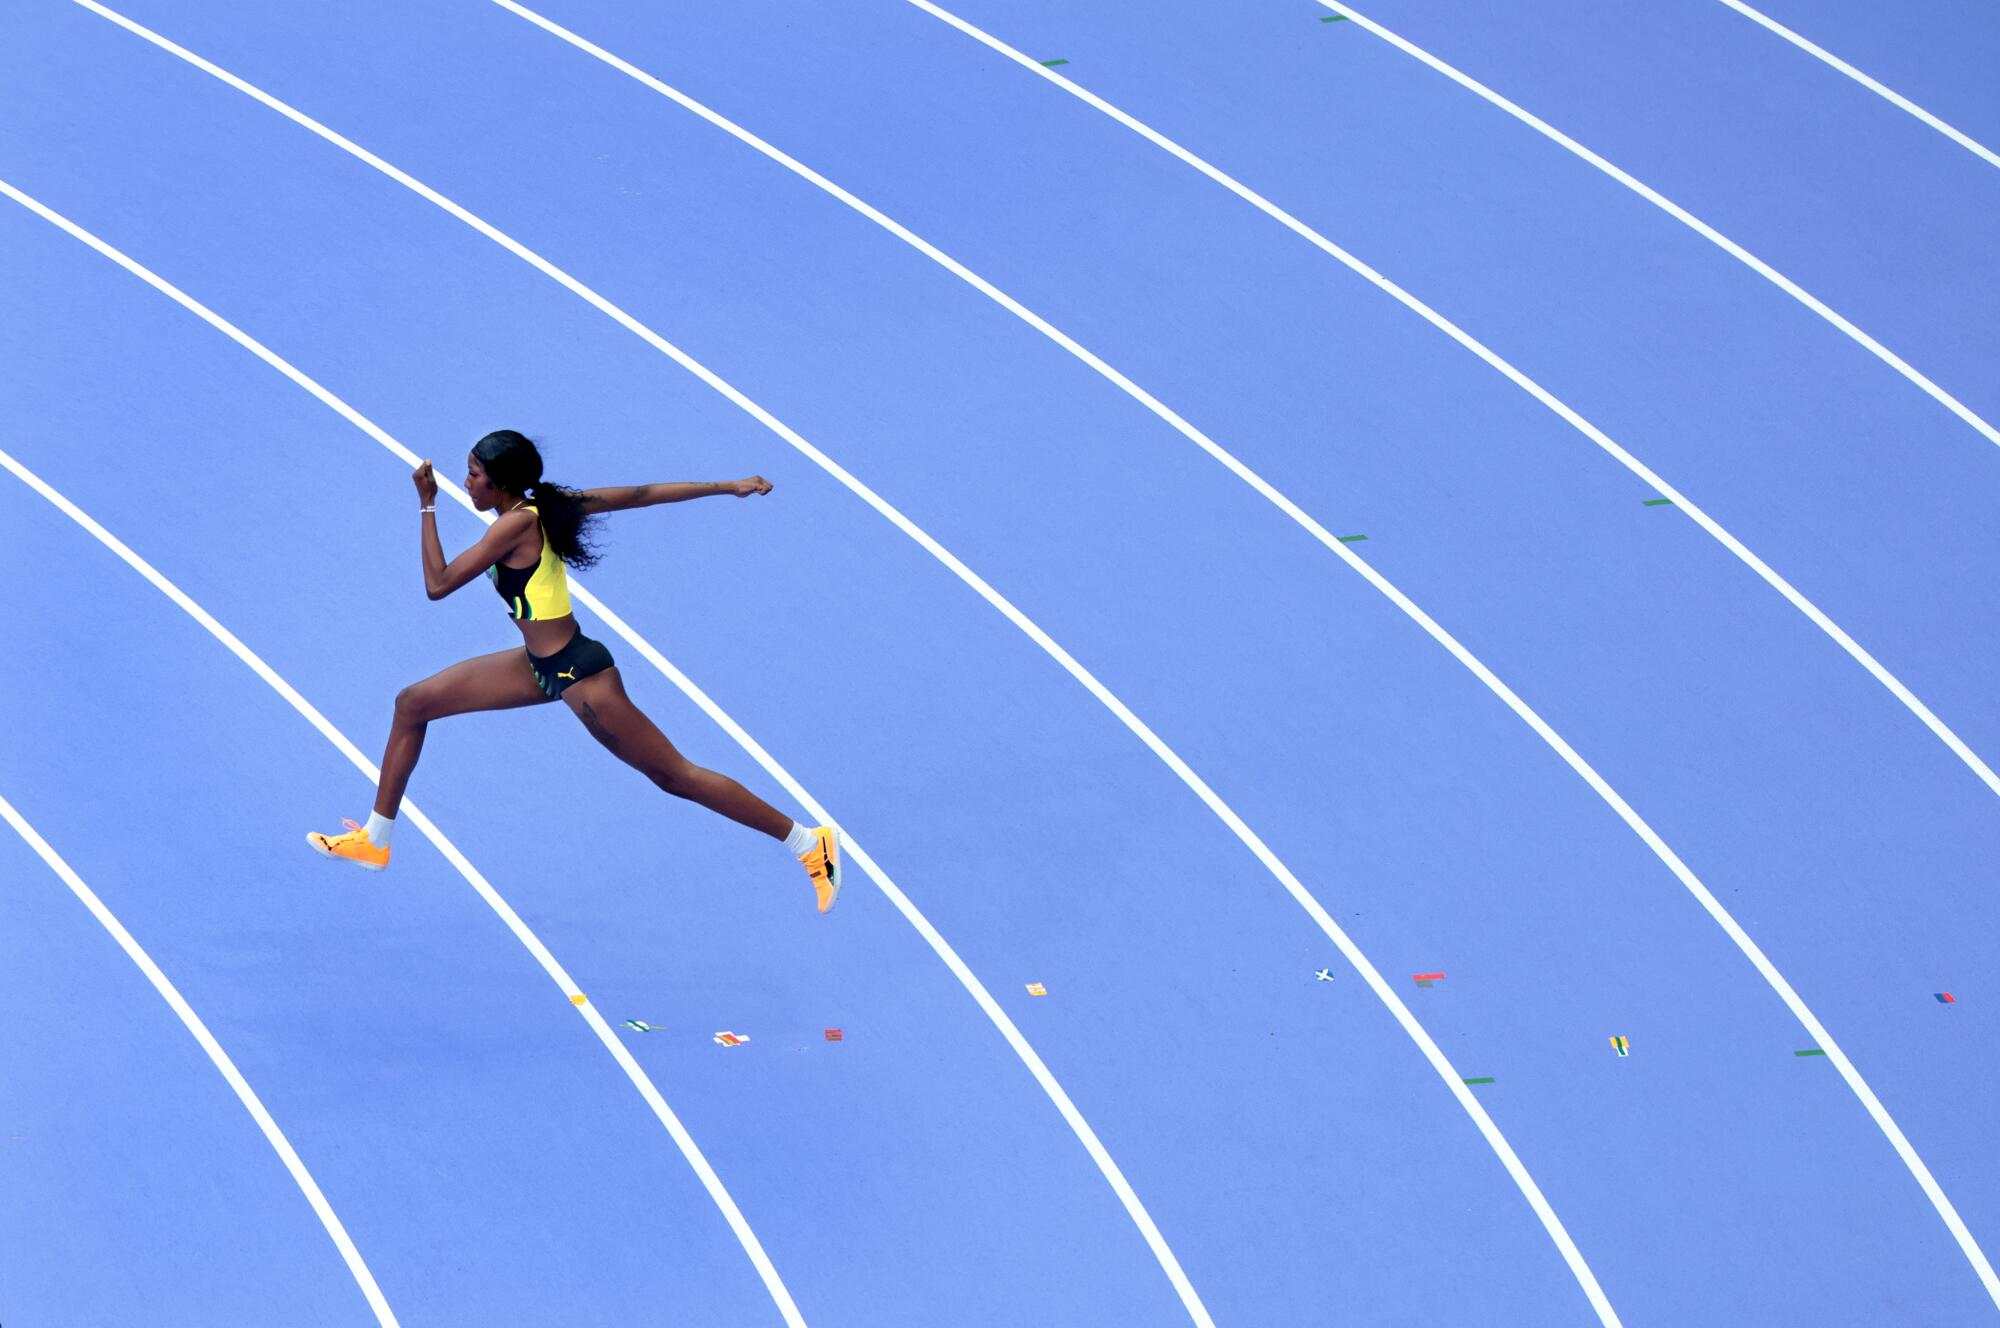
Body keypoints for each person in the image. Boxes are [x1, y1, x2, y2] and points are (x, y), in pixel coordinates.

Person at [306, 429, 841, 912]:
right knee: (412, 703)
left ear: (501, 485)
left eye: (474, 475)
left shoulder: (513, 527)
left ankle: (807, 843)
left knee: (674, 776)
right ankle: (376, 840)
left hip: (580, 676)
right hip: (537, 666)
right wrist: (728, 485)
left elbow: (438, 584)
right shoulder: (543, 508)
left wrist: (427, 507)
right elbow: (640, 495)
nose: (465, 482)